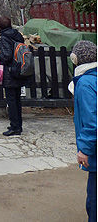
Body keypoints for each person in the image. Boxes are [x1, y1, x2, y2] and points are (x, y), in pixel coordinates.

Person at [69, 40, 97, 222]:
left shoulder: (85, 83)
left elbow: (92, 121)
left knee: (94, 202)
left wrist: (84, 150)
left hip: (95, 151)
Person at [0, 16, 30, 136]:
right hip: (19, 70)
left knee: (11, 100)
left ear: (0, 26)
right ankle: (18, 125)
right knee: (17, 100)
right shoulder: (17, 35)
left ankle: (15, 127)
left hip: (10, 72)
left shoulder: (5, 37)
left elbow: (7, 56)